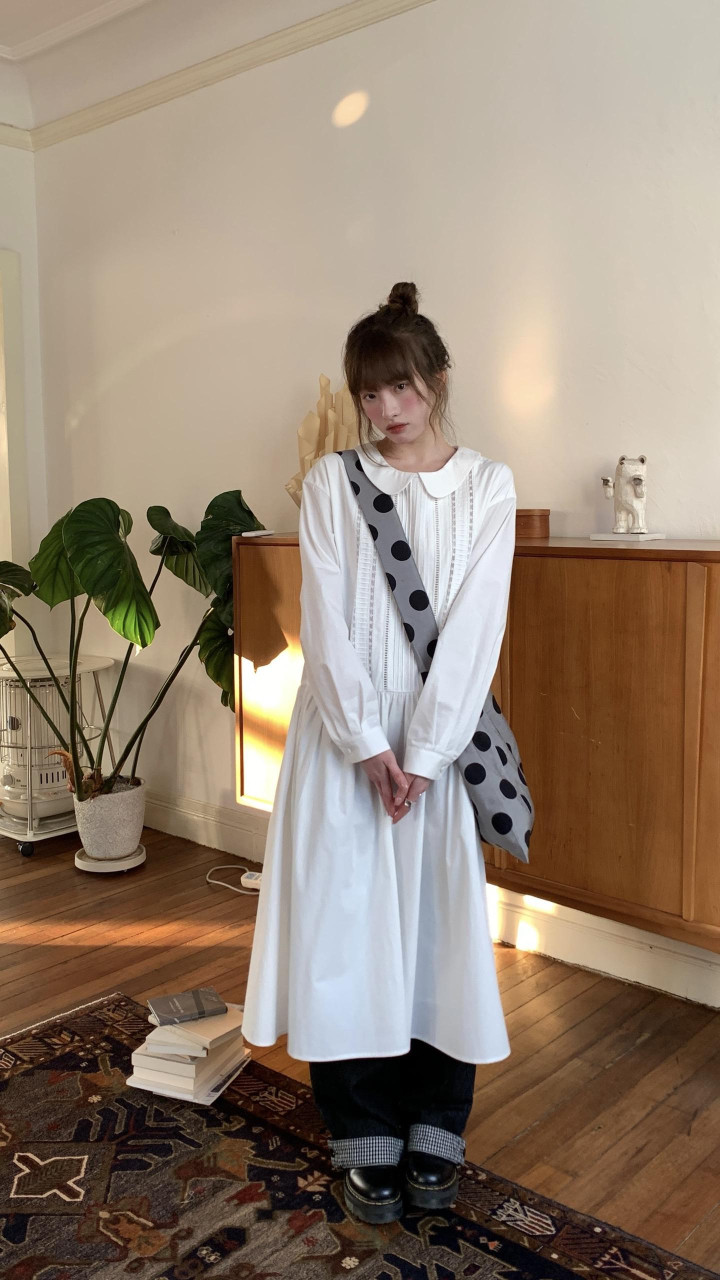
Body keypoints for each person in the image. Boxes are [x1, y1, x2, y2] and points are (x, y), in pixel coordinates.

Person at [242, 281, 517, 1224]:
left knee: (438, 930)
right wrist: (366, 743)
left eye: (401, 386)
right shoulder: (333, 482)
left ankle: (438, 1122)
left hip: (438, 744)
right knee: (345, 929)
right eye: (370, 392)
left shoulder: (488, 486)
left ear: (437, 378)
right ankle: (360, 1125)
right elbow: (324, 619)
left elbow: (477, 630)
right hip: (343, 740)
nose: (386, 409)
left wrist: (427, 753)